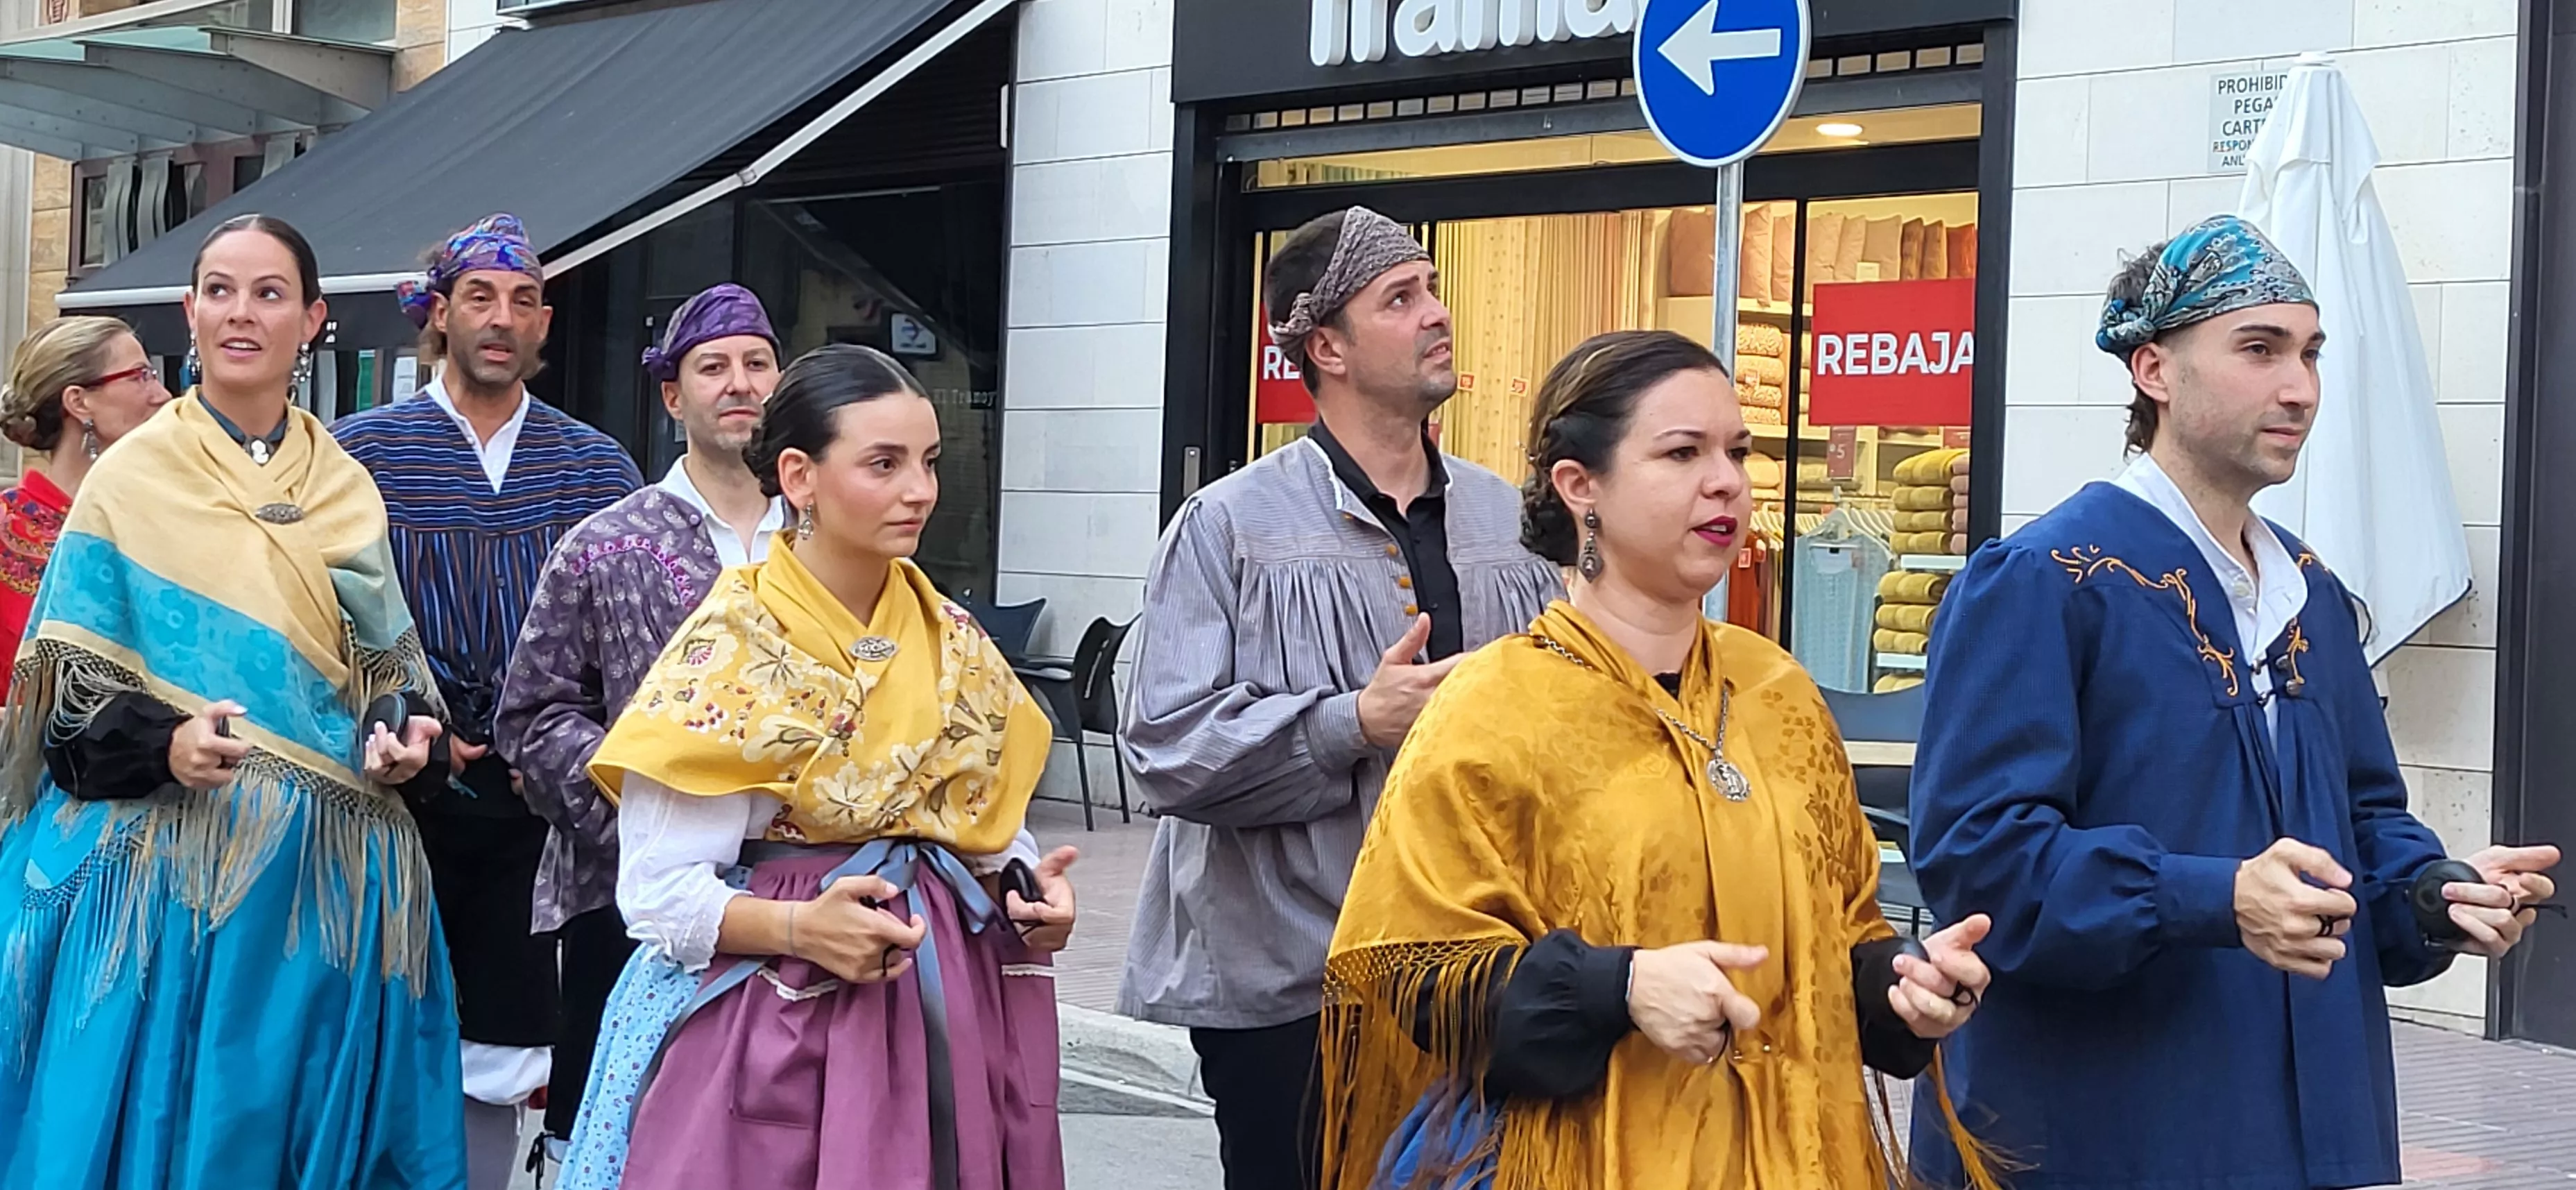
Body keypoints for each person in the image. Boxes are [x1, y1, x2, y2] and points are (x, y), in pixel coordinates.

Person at [1907, 214, 2561, 1190]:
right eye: (2257, 349)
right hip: (2099, 1125)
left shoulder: (2312, 593)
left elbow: (2363, 817)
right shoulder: (2043, 578)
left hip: (2296, 1127)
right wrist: (2211, 895)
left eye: (2308, 353)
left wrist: (2434, 894)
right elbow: (1978, 857)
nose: (2297, 386)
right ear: (2153, 371)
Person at [1317, 329, 2000, 1190]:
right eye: (1682, 452)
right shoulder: (1493, 705)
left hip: (1802, 1155)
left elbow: (1840, 931)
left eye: (1737, 452)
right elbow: (1414, 968)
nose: (1726, 481)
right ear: (1581, 488)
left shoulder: (1778, 689)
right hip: (1592, 1158)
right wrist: (1620, 988)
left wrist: (1905, 988)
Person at [0, 213, 460, 1188]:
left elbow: (389, 676)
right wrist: (168, 745)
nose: (240, 313)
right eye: (218, 290)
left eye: (267, 292)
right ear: (189, 313)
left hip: (329, 895)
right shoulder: (129, 479)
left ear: (314, 319)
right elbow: (69, 718)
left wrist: (401, 740)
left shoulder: (346, 485)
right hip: (174, 891)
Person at [556, 343, 1076, 1190]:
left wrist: (1029, 890)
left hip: (942, 1007)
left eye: (930, 462)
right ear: (798, 475)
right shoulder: (733, 647)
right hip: (767, 1010)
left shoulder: (960, 642)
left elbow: (987, 836)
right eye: (884, 463)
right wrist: (802, 928)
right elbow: (657, 891)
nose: (920, 489)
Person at [1118, 205, 1561, 1190]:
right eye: (1400, 298)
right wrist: (1350, 722)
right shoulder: (1227, 524)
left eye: (1434, 288)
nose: (1437, 314)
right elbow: (1161, 746)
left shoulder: (1507, 519)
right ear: (1327, 345)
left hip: (1473, 972)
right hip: (1292, 988)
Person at [333, 212, 642, 1187]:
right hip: (395, 792)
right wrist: (400, 714)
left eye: (522, 300)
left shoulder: (597, 466)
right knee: (390, 1031)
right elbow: (319, 620)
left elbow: (628, 637)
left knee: (532, 1047)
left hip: (546, 803)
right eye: (480, 297)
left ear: (545, 321)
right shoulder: (359, 456)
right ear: (439, 314)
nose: (501, 319)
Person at [497, 282, 784, 1152]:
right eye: (714, 367)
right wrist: (645, 798)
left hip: (802, 887)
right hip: (629, 899)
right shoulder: (606, 542)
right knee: (619, 1137)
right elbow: (534, 715)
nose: (739, 384)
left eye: (758, 363)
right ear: (673, 395)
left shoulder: (827, 538)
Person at [0, 315, 171, 697]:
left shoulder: (163, 521)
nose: (162, 395)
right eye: (140, 376)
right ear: (79, 401)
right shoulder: (7, 528)